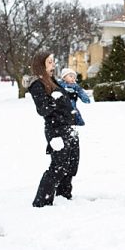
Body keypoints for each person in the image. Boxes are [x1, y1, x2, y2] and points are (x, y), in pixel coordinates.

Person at [28, 51, 80, 207]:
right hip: (56, 130)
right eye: (50, 61)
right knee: (58, 165)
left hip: (68, 128)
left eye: (53, 61)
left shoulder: (52, 81)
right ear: (41, 64)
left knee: (71, 163)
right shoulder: (37, 84)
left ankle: (64, 195)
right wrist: (54, 100)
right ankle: (42, 201)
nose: (53, 64)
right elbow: (42, 109)